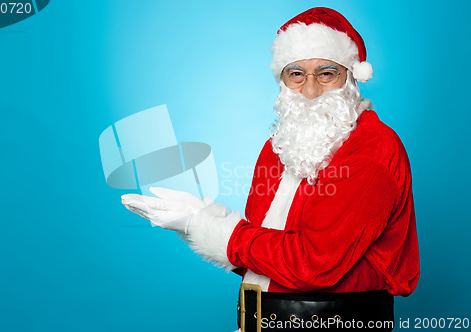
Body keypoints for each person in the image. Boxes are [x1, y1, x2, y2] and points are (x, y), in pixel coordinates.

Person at [121, 7, 419, 331]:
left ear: (350, 77)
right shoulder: (278, 148)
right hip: (257, 321)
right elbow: (264, 253)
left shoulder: (372, 149)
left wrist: (205, 223)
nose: (309, 90)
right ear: (282, 80)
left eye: (326, 73)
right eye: (296, 74)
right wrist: (199, 224)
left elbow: (311, 265)